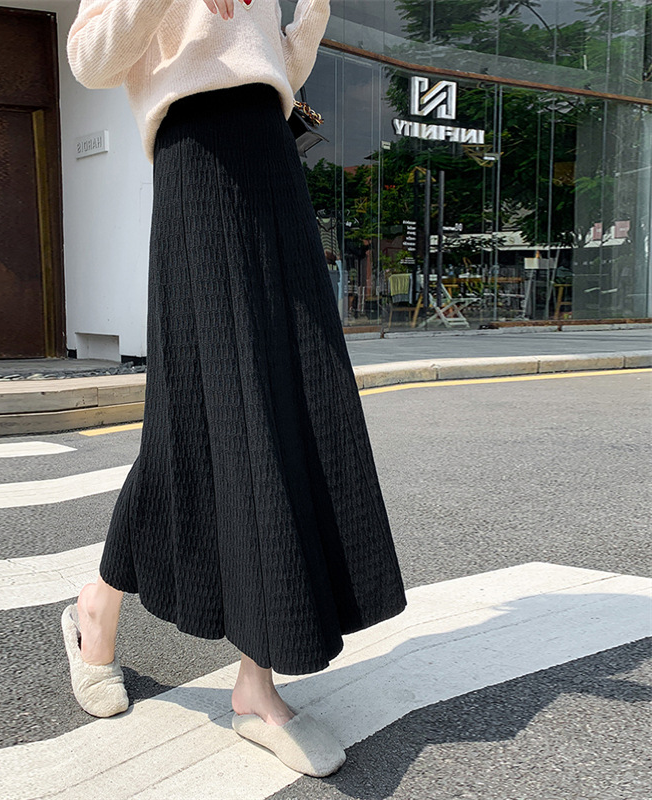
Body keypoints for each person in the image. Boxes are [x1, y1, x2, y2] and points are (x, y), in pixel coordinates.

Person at [61, 0, 407, 778]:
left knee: (293, 394)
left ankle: (245, 677)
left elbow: (277, 65)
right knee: (212, 413)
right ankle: (110, 611)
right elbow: (90, 59)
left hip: (270, 152)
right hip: (197, 155)